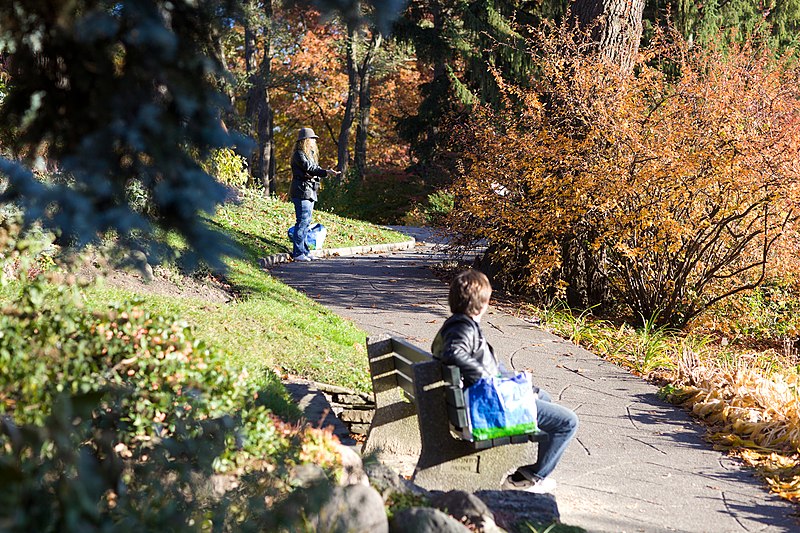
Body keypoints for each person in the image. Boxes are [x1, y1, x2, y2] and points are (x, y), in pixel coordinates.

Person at [431, 269, 579, 494]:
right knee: (568, 422)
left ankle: (528, 473)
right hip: (485, 408)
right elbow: (454, 353)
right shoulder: (461, 327)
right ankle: (530, 479)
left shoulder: (458, 324)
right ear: (483, 303)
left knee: (543, 395)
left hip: (471, 403)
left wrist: (511, 381)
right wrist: (490, 380)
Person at [290, 127, 341, 262]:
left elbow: (314, 169)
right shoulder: (299, 154)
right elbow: (310, 168)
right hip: (302, 191)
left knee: (306, 223)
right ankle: (297, 253)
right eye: (312, 139)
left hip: (309, 191)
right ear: (305, 140)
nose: (314, 141)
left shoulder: (309, 154)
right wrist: (326, 172)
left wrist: (323, 172)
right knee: (302, 222)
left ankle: (304, 250)